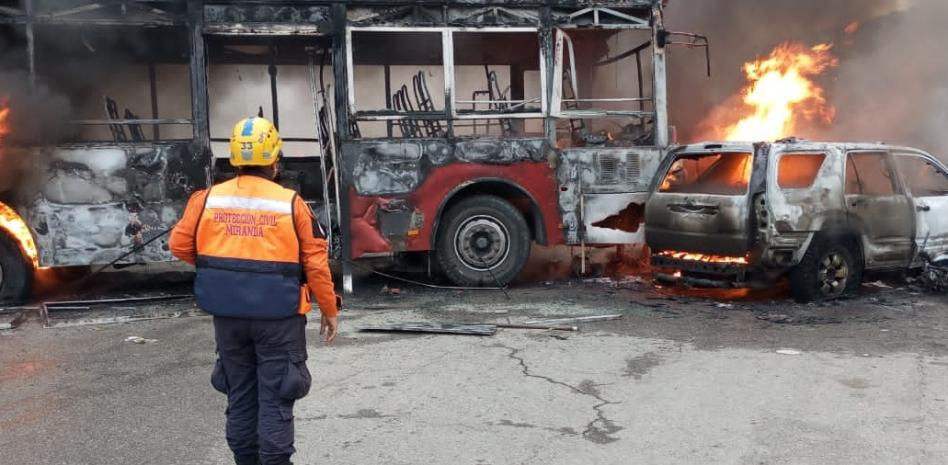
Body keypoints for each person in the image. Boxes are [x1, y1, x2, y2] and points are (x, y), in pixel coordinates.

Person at [169, 116, 340, 465]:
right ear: (274, 160)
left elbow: (180, 245)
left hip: (228, 318)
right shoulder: (291, 204)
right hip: (279, 319)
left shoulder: (207, 200)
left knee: (241, 395)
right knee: (276, 396)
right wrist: (329, 310)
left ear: (235, 159)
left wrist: (222, 270)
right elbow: (316, 265)